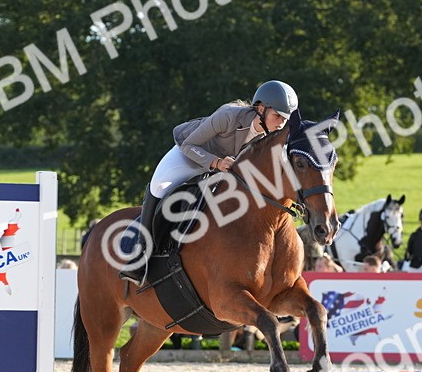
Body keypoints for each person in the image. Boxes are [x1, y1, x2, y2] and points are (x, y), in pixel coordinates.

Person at [119, 80, 299, 284]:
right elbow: (189, 144)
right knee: (159, 186)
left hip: (223, 170)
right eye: (277, 116)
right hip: (191, 155)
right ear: (260, 109)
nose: (281, 123)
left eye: (285, 119)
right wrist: (216, 162)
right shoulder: (228, 116)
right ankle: (140, 254)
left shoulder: (271, 138)